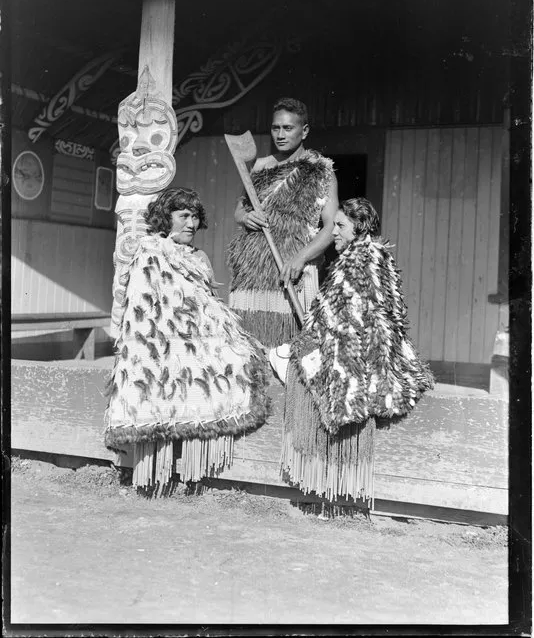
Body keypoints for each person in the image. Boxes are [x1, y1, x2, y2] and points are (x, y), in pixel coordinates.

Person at [105, 188, 271, 491]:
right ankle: (154, 476)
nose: (191, 224)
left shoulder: (200, 257)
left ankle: (196, 475)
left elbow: (208, 303)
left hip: (196, 340)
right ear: (166, 218)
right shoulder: (150, 252)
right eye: (184, 216)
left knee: (234, 362)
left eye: (195, 217)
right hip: (161, 343)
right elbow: (147, 308)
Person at [274, 197, 435, 510]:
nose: (333, 232)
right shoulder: (369, 258)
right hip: (365, 348)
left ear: (358, 228)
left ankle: (325, 483)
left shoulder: (360, 262)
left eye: (340, 226)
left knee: (289, 360)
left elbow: (356, 322)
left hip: (361, 353)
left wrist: (314, 338)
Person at [227, 97, 339, 346]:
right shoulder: (260, 166)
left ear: (304, 131)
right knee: (250, 346)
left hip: (293, 269)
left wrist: (300, 258)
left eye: (288, 128)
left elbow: (332, 226)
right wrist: (247, 216)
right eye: (276, 127)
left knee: (293, 347)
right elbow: (239, 211)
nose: (280, 134)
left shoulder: (320, 170)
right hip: (253, 271)